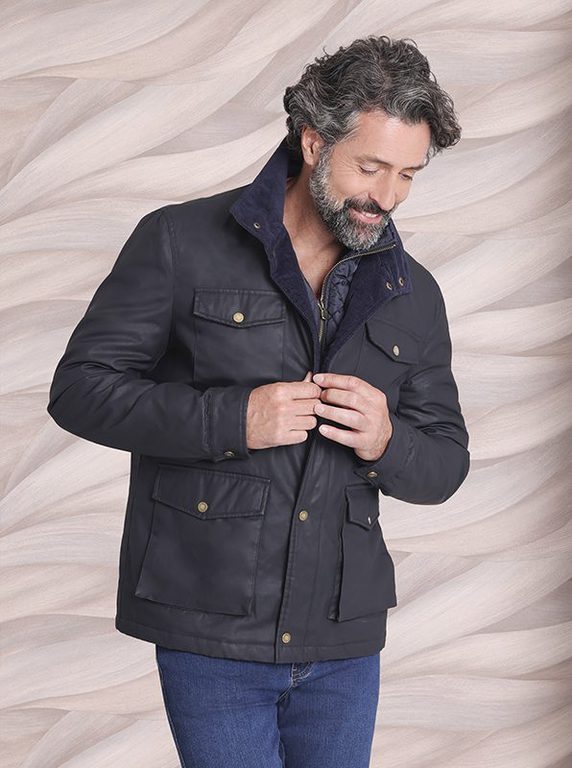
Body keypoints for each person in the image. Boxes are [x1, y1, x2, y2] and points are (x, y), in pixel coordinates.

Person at [47, 34, 470, 768]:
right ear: (313, 141)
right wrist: (233, 418)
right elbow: (80, 389)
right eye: (370, 167)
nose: (387, 197)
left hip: (343, 640)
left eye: (407, 174)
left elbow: (445, 464)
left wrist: (385, 440)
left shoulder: (413, 292)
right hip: (212, 629)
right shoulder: (179, 241)